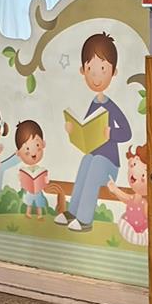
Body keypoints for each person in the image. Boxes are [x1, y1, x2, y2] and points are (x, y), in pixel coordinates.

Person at [56, 33, 132, 232]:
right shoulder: (94, 103)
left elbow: (127, 133)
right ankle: (73, 212)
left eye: (103, 69)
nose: (96, 77)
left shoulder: (111, 106)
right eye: (91, 69)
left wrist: (111, 133)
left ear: (113, 72)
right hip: (95, 158)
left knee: (96, 162)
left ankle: (84, 219)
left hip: (109, 164)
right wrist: (74, 130)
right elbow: (88, 127)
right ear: (83, 70)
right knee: (87, 160)